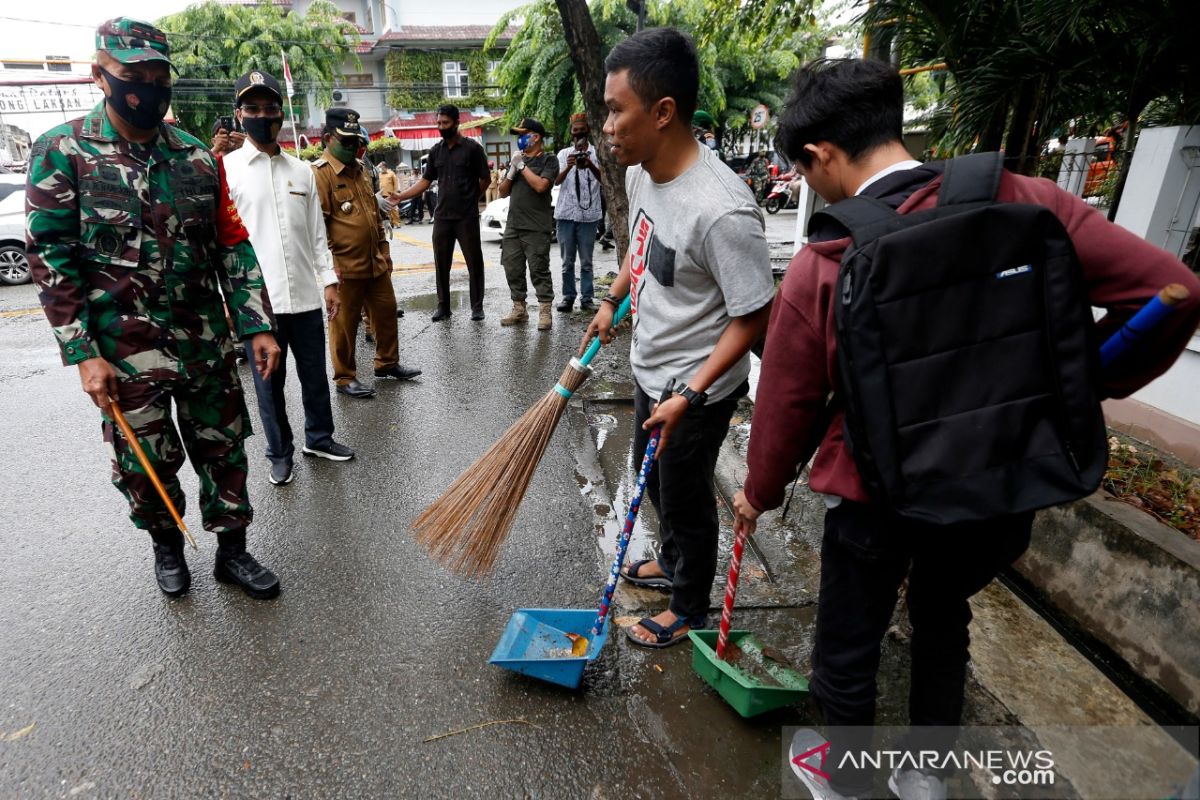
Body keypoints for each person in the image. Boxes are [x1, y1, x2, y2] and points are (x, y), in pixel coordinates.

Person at [729, 59, 1200, 800]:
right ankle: (926, 777)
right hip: (999, 486)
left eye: (804, 169)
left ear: (819, 155)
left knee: (847, 646)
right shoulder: (1030, 201)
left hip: (877, 497)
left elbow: (788, 404)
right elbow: (1175, 293)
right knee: (942, 615)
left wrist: (757, 492)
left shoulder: (827, 260)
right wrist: (1079, 387)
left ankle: (845, 784)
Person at [26, 18, 283, 600]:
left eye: (157, 74)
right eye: (132, 74)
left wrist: (256, 324)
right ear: (100, 75)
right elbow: (51, 259)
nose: (147, 84)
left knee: (225, 449)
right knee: (144, 460)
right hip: (122, 351)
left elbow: (231, 247)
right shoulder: (63, 151)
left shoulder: (195, 157)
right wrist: (82, 353)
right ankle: (167, 547)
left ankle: (233, 553)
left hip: (203, 341)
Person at [581, 28, 774, 647]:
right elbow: (642, 250)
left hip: (697, 389)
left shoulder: (722, 209)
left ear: (663, 113)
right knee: (654, 482)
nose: (606, 124)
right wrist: (614, 299)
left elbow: (753, 316)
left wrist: (690, 393)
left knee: (686, 497)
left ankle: (690, 604)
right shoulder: (643, 171)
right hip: (649, 368)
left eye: (616, 109)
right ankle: (670, 562)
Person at [221, 70, 355, 486]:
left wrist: (328, 280)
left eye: (270, 108)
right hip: (258, 306)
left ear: (282, 113)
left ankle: (319, 438)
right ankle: (278, 452)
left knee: (314, 375)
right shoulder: (225, 171)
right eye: (253, 108)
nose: (263, 115)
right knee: (268, 386)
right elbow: (220, 243)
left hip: (304, 298)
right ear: (239, 114)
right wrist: (230, 301)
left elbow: (317, 233)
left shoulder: (302, 172)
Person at [312, 108, 421, 399]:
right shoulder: (319, 176)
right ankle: (345, 377)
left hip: (374, 261)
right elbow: (317, 229)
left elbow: (374, 216)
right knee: (343, 324)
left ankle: (387, 363)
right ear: (327, 139)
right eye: (345, 142)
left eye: (356, 142)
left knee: (386, 312)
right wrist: (328, 271)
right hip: (344, 267)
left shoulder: (361, 170)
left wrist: (384, 250)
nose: (353, 147)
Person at [388, 104, 490, 322]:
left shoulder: (472, 149)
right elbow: (425, 182)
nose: (441, 127)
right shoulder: (436, 151)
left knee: (474, 262)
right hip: (442, 217)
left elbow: (485, 179)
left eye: (445, 123)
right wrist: (401, 196)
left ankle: (477, 307)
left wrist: (471, 199)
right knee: (441, 262)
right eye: (439, 123)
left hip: (466, 217)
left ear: (456, 122)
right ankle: (443, 307)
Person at [499, 117, 559, 330]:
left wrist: (522, 166)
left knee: (539, 268)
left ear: (536, 137)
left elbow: (541, 186)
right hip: (514, 224)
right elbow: (502, 191)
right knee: (511, 267)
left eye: (524, 134)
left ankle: (544, 311)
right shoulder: (517, 159)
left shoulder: (549, 160)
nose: (521, 139)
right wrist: (512, 170)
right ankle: (519, 308)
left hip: (536, 225)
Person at [554, 113, 603, 313]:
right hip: (566, 215)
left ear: (588, 131)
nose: (579, 134)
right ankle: (568, 297)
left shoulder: (597, 153)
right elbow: (556, 181)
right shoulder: (563, 154)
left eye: (582, 130)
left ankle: (587, 298)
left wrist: (589, 163)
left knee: (586, 262)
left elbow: (604, 180)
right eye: (575, 130)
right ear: (571, 133)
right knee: (567, 262)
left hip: (589, 216)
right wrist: (569, 166)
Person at [377, 161, 401, 231]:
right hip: (382, 195)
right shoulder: (380, 174)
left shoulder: (391, 173)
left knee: (394, 209)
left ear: (384, 166)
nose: (380, 168)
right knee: (385, 210)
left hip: (391, 194)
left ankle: (397, 223)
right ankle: (390, 223)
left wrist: (395, 193)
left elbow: (395, 184)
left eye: (380, 167)